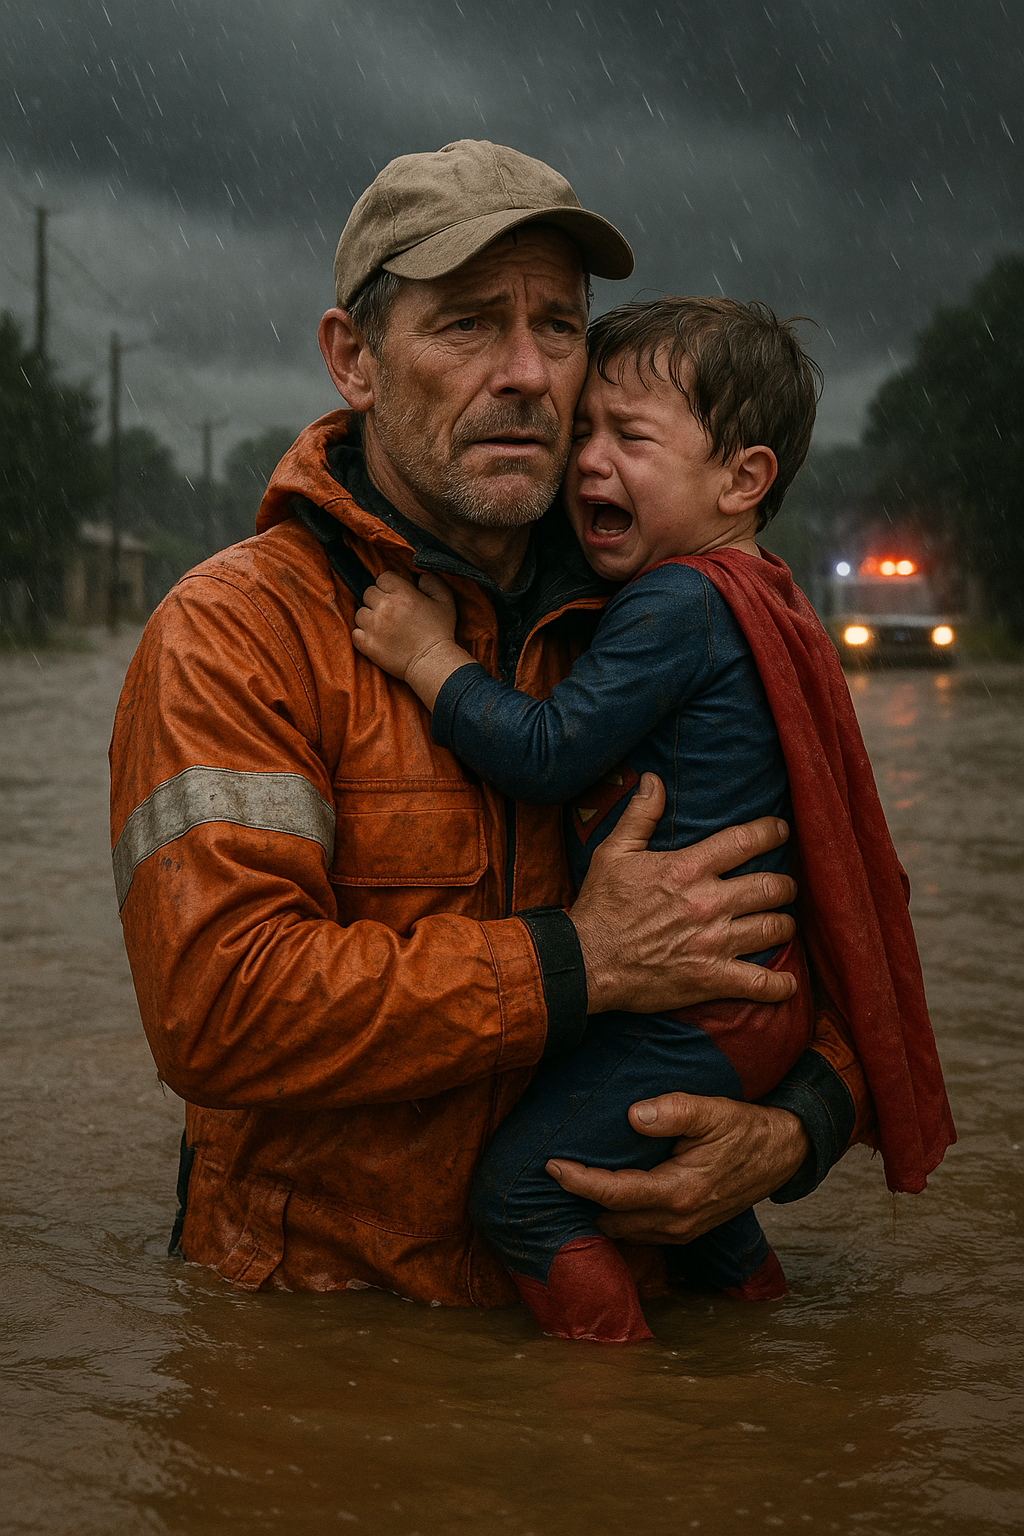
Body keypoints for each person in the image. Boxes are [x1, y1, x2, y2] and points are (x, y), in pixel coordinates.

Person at [110, 140, 878, 1306]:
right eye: (467, 324)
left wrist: (796, 1131)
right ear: (353, 360)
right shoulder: (234, 632)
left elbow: (850, 936)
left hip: (632, 1348)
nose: (525, 372)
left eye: (559, 327)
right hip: (337, 1347)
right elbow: (220, 1011)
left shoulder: (681, 614)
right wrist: (580, 963)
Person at [349, 295, 956, 1340]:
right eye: (585, 429)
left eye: (628, 438)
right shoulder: (761, 591)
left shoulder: (675, 601)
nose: (588, 460)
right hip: (758, 1000)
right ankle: (752, 1335)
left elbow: (544, 754)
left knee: (521, 1196)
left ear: (742, 480)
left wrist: (427, 656)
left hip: (695, 1008)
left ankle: (615, 1417)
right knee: (682, 1200)